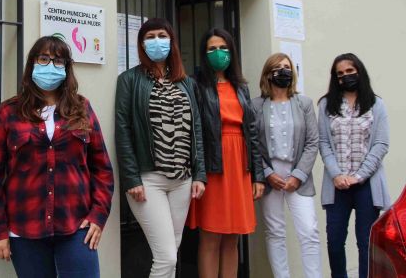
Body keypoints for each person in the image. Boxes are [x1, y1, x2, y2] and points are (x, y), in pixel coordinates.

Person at [0, 35, 114, 278]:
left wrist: (98, 215)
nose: (50, 66)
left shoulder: (82, 109)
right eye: (44, 59)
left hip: (76, 226)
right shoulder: (8, 112)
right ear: (32, 64)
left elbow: (102, 169)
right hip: (25, 229)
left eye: (58, 61)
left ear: (67, 68)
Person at [115, 17, 206, 278]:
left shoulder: (186, 82)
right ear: (142, 43)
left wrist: (199, 174)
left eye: (162, 36)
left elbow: (196, 130)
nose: (157, 41)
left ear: (172, 42)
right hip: (148, 180)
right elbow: (123, 131)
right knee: (166, 256)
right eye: (150, 36)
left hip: (182, 180)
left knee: (171, 252)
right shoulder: (129, 80)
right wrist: (131, 178)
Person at [187, 28, 265, 278]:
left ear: (231, 52)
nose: (218, 53)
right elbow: (195, 131)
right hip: (214, 165)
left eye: (223, 48)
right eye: (211, 49)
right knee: (210, 236)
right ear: (204, 54)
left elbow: (252, 132)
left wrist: (258, 176)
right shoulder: (196, 86)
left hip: (239, 164)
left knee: (233, 238)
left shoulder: (241, 87)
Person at [318, 53, 390, 278]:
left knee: (365, 243)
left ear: (359, 71)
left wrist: (359, 176)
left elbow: (381, 144)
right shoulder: (325, 104)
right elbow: (323, 143)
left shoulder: (376, 104)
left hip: (367, 185)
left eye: (350, 71)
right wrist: (337, 175)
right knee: (335, 242)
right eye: (340, 74)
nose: (345, 76)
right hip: (337, 185)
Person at [251, 53, 322, 278]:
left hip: (298, 176)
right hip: (270, 177)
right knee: (275, 232)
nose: (283, 71)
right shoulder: (255, 105)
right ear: (268, 73)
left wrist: (298, 175)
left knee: (309, 231)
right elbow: (252, 144)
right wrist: (267, 173)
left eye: (287, 67)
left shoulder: (304, 103)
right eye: (278, 67)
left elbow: (313, 142)